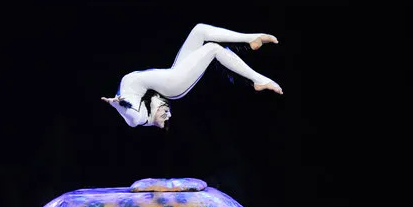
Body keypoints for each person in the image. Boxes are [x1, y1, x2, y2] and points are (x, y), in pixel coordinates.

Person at [101, 23, 282, 128]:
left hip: (172, 75)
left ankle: (251, 39)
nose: (169, 116)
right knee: (212, 49)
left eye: (166, 116)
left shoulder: (131, 98)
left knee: (199, 30)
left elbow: (131, 114)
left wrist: (118, 104)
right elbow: (134, 118)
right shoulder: (139, 115)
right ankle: (259, 80)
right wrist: (118, 106)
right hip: (173, 83)